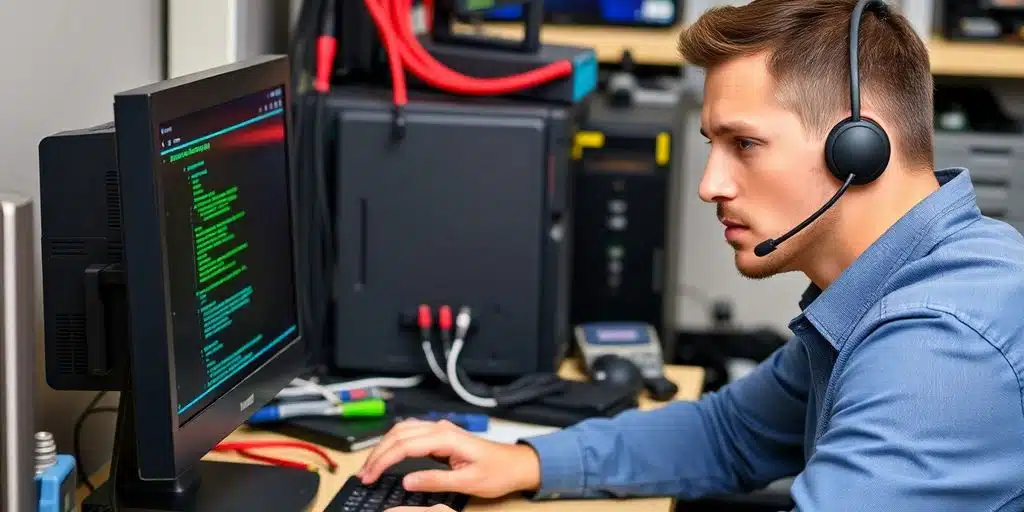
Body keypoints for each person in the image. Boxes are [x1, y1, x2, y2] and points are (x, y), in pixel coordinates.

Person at [361, 0, 1024, 510]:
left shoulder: (938, 346)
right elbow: (730, 435)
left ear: (858, 148)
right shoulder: (884, 286)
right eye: (712, 144)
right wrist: (527, 461)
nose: (711, 183)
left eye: (744, 144)